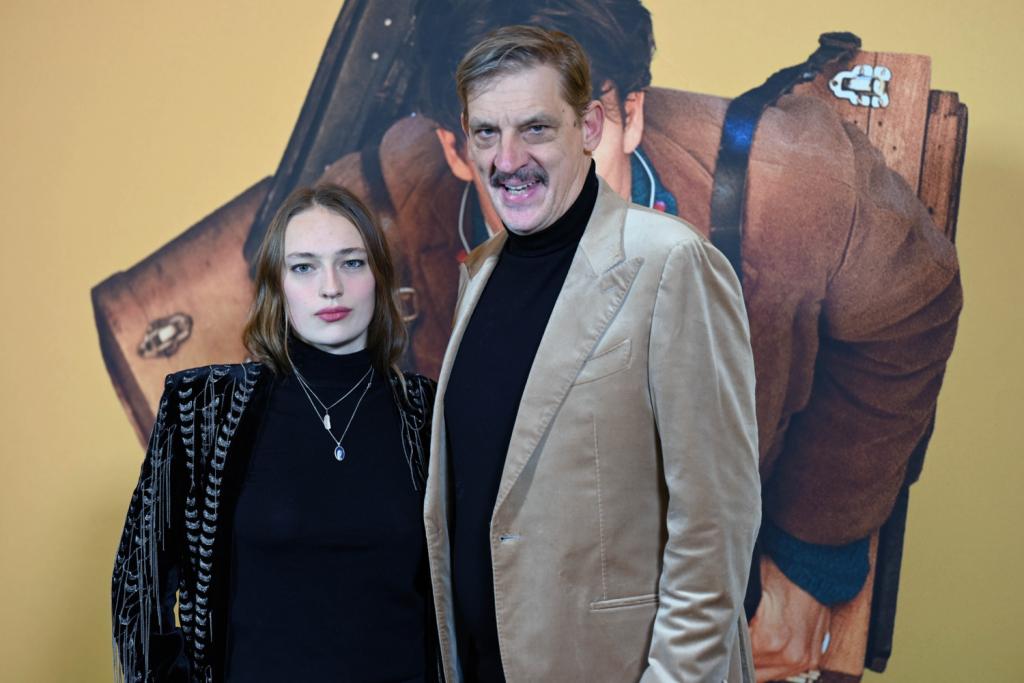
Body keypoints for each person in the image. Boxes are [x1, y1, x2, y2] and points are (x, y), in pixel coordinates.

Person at [319, 2, 961, 679]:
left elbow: (914, 309)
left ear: (628, 115)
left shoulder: (799, 188)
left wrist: (811, 559)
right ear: (456, 147)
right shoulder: (367, 219)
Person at [422, 26, 761, 682]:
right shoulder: (480, 274)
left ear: (591, 127)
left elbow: (714, 524)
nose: (508, 158)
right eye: (487, 132)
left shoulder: (671, 262)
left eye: (536, 128)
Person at [111, 185, 438, 682]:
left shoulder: (427, 413)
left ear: (380, 276)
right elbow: (137, 589)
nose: (331, 287)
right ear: (275, 286)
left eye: (352, 263)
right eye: (304, 267)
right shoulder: (203, 408)